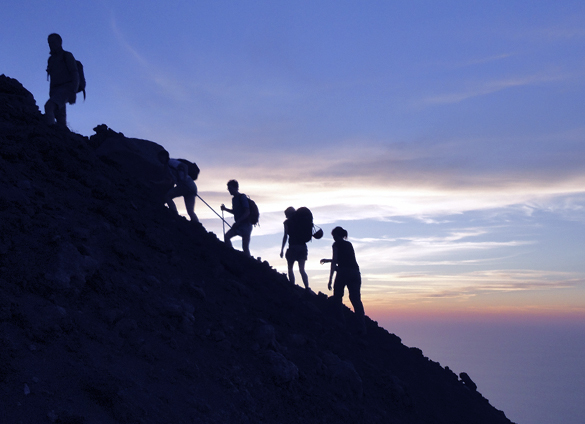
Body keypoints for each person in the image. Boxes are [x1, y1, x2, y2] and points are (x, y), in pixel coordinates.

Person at [320, 226, 365, 334]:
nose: (333, 238)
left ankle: (341, 323)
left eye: (333, 236)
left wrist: (330, 279)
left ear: (336, 235)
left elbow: (335, 260)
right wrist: (327, 260)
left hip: (344, 272)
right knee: (356, 300)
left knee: (338, 296)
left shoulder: (336, 244)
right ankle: (362, 328)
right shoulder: (349, 244)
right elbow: (345, 259)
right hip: (355, 273)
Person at [45, 33, 79, 127]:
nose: (51, 45)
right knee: (60, 118)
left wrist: (73, 91)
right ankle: (61, 138)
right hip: (55, 91)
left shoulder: (67, 55)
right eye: (49, 43)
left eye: (53, 42)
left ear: (60, 42)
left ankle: (50, 133)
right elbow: (52, 78)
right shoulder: (51, 59)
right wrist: (51, 93)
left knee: (49, 107)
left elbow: (74, 73)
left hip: (66, 88)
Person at [156, 150, 199, 223]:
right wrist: (155, 183)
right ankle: (197, 225)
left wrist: (184, 178)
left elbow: (184, 166)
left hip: (186, 184)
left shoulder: (171, 162)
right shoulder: (168, 168)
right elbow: (168, 181)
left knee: (167, 196)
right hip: (191, 186)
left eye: (160, 157)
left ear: (164, 157)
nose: (159, 159)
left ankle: (174, 214)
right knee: (190, 211)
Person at [280, 207, 310, 289]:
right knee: (302, 270)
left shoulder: (287, 222)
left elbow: (285, 236)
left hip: (292, 247)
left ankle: (292, 286)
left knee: (290, 268)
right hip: (303, 247)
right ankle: (307, 287)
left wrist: (282, 249)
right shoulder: (302, 221)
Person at [221, 180, 252, 256]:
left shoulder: (242, 197)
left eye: (230, 188)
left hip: (246, 225)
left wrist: (238, 221)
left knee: (245, 247)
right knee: (227, 237)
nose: (229, 190)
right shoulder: (234, 199)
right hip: (239, 225)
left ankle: (250, 264)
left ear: (236, 188)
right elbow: (235, 211)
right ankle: (232, 254)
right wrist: (225, 209)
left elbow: (247, 212)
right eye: (228, 189)